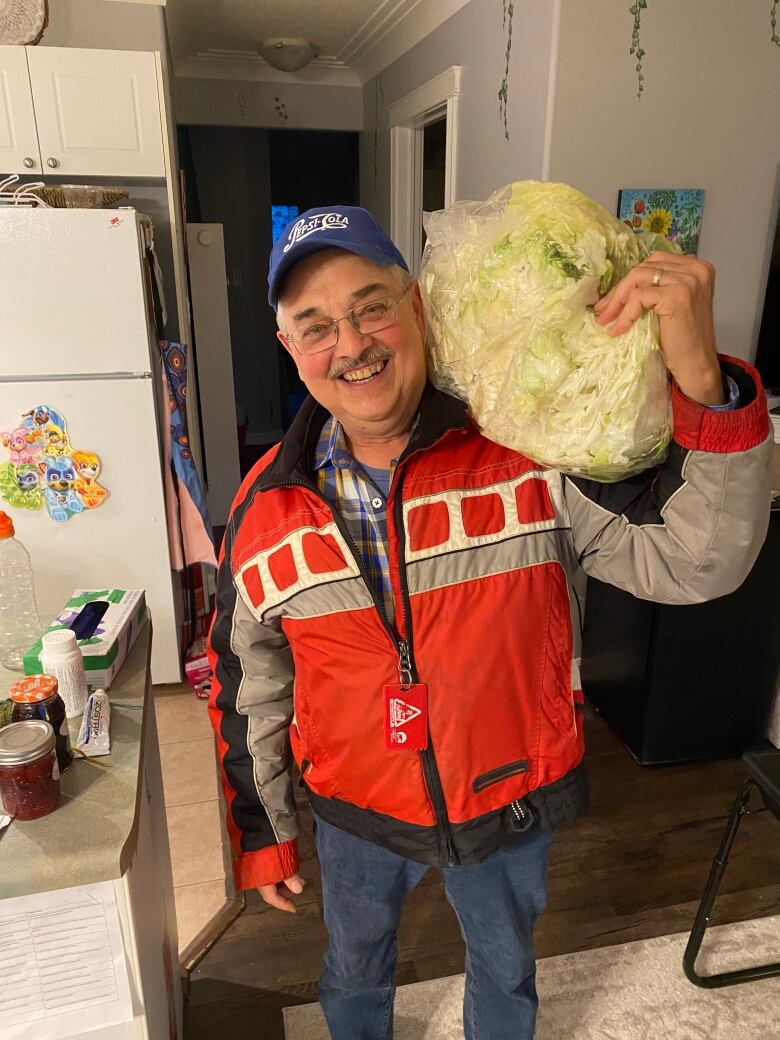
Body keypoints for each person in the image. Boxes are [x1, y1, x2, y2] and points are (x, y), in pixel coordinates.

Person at [207, 205, 771, 1040]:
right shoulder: (264, 506)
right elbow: (245, 678)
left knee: (504, 977)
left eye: (371, 306)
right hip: (353, 808)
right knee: (353, 974)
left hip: (509, 796)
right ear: (290, 348)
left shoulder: (527, 454)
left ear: (418, 310)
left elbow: (699, 560)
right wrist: (262, 827)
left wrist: (702, 386)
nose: (351, 343)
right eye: (315, 325)